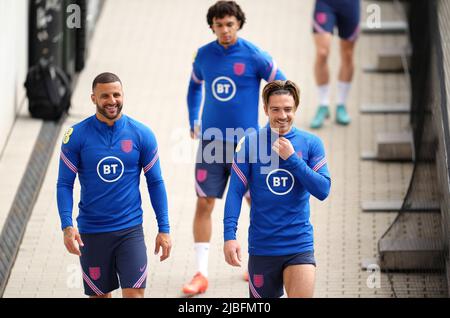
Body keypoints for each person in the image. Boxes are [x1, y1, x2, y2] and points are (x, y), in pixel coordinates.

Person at [184, 0, 286, 295]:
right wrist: (193, 118)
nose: (225, 30)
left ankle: (258, 265)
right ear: (212, 27)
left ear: (239, 24)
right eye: (219, 25)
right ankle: (201, 273)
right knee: (204, 203)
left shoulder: (255, 55)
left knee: (258, 202)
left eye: (230, 24)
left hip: (250, 146)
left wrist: (274, 122)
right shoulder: (203, 55)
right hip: (212, 143)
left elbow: (281, 85)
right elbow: (193, 87)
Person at [56, 72, 172, 298]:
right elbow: (64, 184)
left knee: (135, 294)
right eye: (105, 96)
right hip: (92, 233)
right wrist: (67, 226)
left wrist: (164, 229)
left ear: (123, 95)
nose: (112, 101)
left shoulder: (142, 134)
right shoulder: (76, 136)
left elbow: (156, 183)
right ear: (93, 98)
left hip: (130, 231)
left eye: (116, 94)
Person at [223, 80, 331, 298]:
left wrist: (293, 160)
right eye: (275, 109)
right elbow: (235, 192)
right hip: (263, 247)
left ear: (296, 109)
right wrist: (229, 236)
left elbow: (323, 190)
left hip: (298, 244)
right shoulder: (250, 144)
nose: (282, 115)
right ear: (265, 109)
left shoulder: (311, 143)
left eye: (288, 109)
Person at [310, 0, 360, 129]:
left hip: (350, 5)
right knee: (322, 53)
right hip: (325, 4)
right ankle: (323, 104)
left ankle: (341, 105)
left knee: (348, 54)